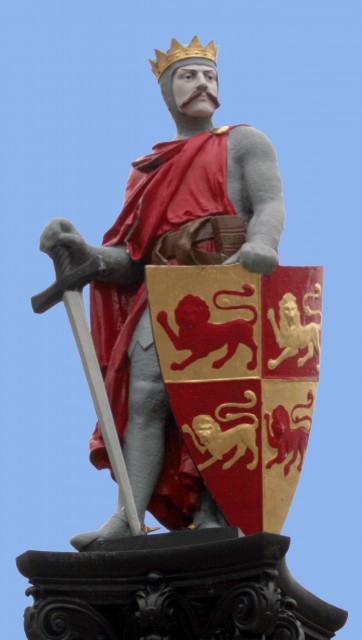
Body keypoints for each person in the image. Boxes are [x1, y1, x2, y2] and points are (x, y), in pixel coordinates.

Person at [40, 37, 285, 551]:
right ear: (167, 92)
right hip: (167, 291)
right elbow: (130, 259)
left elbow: (269, 204)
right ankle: (129, 516)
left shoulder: (244, 142)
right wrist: (82, 250)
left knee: (223, 402)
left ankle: (218, 510)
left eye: (209, 76)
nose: (202, 84)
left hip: (225, 282)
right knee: (146, 397)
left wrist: (263, 243)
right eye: (188, 76)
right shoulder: (146, 169)